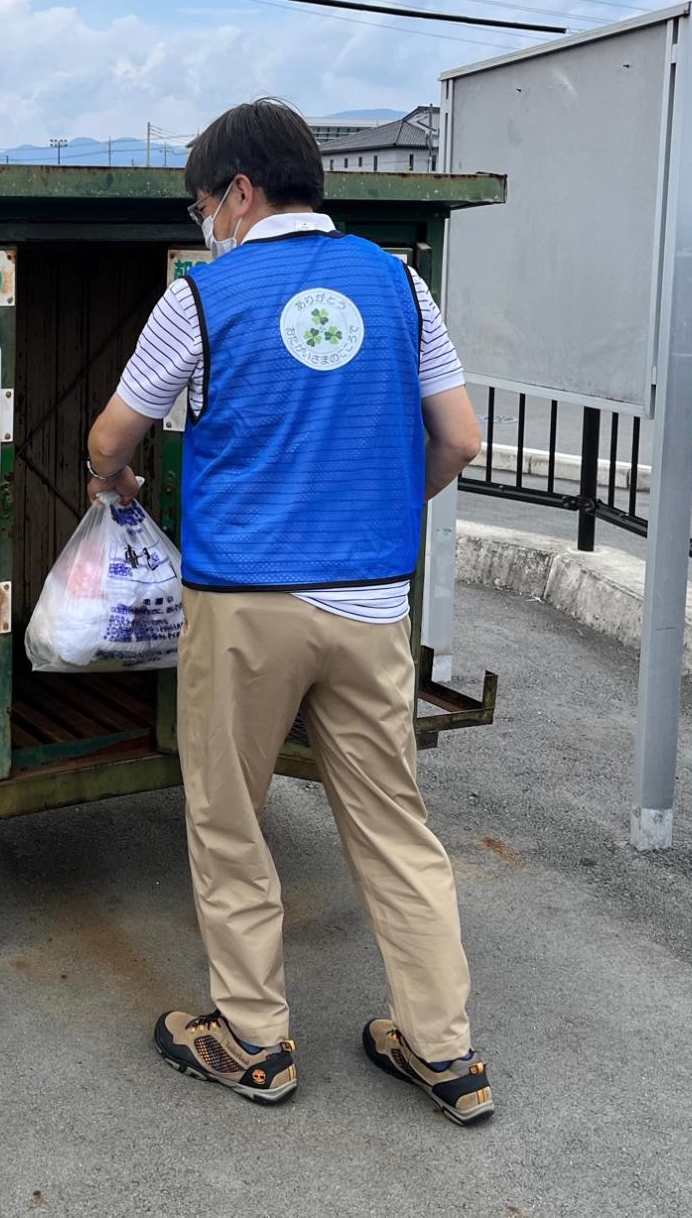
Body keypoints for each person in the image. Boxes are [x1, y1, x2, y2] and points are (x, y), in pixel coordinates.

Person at [83, 98, 492, 1124]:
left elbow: (105, 441)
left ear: (238, 193)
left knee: (228, 819)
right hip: (368, 608)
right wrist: (390, 506)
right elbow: (459, 438)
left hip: (246, 606)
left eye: (201, 204)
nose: (201, 223)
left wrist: (119, 488)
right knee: (393, 826)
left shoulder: (203, 299)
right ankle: (442, 1051)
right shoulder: (400, 284)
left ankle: (253, 1040)